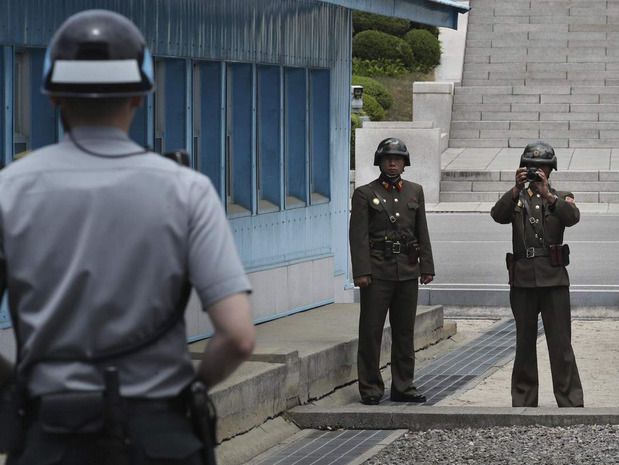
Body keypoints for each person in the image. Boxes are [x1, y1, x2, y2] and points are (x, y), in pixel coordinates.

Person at [0, 9, 255, 464]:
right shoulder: (186, 190)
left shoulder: (10, 190)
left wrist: (17, 384)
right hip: (161, 437)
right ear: (140, 95)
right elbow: (237, 337)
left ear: (53, 95)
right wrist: (191, 389)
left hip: (52, 435)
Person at [491, 141, 584, 408]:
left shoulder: (560, 196)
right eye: (530, 166)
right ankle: (523, 399)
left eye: (540, 167)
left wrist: (548, 195)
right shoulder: (516, 198)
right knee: (524, 343)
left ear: (550, 170)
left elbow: (573, 217)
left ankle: (569, 399)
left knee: (560, 343)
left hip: (553, 279)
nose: (535, 171)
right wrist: (515, 188)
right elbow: (497, 215)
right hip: (522, 279)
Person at [349, 138, 435, 405]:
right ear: (380, 162)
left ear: (405, 163)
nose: (393, 163)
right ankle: (371, 388)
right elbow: (358, 236)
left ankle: (403, 386)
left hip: (407, 270)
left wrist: (427, 266)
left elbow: (422, 231)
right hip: (377, 271)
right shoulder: (365, 193)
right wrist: (362, 272)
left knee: (404, 332)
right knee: (371, 332)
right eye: (388, 159)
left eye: (398, 159)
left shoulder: (414, 191)